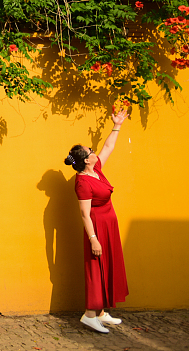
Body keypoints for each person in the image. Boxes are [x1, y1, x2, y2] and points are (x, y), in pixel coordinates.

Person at [64, 107, 130, 334]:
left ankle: (101, 312)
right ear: (86, 160)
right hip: (97, 227)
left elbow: (109, 146)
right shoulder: (83, 181)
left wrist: (117, 124)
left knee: (108, 265)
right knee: (96, 266)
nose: (94, 151)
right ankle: (89, 315)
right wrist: (93, 239)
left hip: (109, 224)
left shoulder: (96, 169)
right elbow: (84, 213)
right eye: (90, 150)